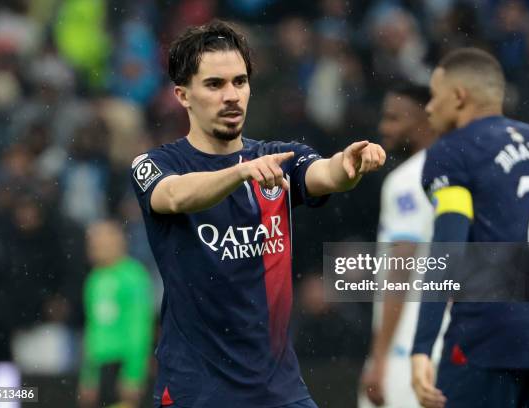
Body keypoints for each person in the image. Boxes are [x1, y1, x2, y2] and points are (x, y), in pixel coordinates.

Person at [130, 20, 386, 408]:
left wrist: (347, 167)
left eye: (239, 82)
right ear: (183, 95)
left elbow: (325, 173)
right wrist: (237, 172)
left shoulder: (277, 157)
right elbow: (174, 197)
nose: (231, 95)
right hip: (196, 391)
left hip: (279, 391)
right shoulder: (154, 163)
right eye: (215, 84)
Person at [411, 48, 529, 408]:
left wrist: (422, 346)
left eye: (434, 96)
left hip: (488, 334)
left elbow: (448, 249)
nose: (428, 107)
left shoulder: (453, 152)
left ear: (458, 97)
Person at [358, 83, 447, 408]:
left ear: (425, 118)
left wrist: (379, 359)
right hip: (446, 346)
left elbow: (402, 267)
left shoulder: (408, 180)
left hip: (405, 350)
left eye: (395, 118)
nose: (384, 128)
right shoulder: (462, 171)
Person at [78, 220, 154, 408]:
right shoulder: (93, 279)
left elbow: (140, 327)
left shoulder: (134, 276)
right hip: (100, 366)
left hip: (122, 363)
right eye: (92, 243)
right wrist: (89, 377)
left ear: (119, 242)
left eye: (101, 242)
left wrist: (133, 373)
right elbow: (92, 331)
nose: (95, 248)